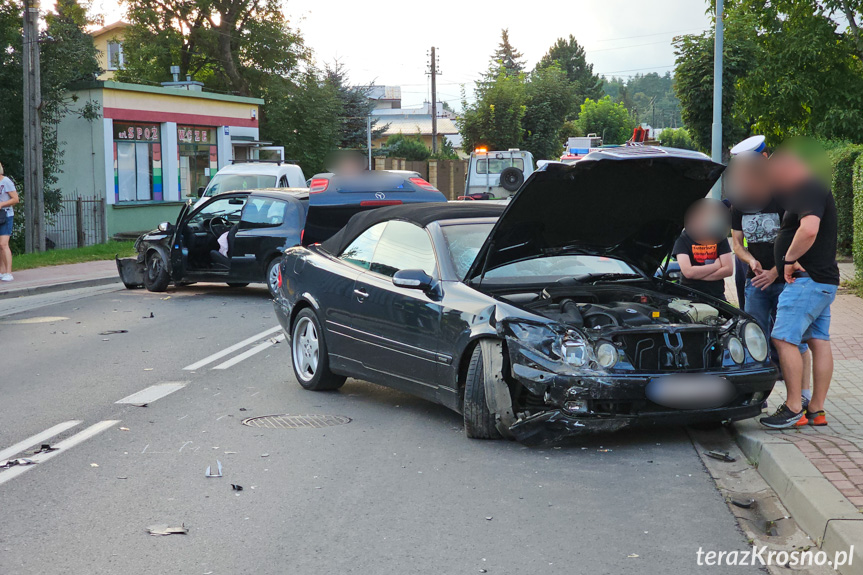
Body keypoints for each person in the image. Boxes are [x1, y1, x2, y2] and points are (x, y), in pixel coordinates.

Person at [760, 145, 839, 428]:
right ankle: (816, 410)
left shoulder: (807, 187)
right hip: (821, 281)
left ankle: (794, 407)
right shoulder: (813, 188)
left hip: (807, 282)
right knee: (818, 340)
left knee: (783, 338)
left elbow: (808, 229)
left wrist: (789, 259)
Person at [728, 152, 812, 405]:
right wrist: (750, 261)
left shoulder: (783, 199)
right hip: (755, 283)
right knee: (755, 338)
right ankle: (758, 397)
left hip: (787, 281)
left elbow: (797, 240)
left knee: (793, 340)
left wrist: (775, 271)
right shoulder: (739, 205)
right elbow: (737, 244)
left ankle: (801, 397)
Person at [673, 199, 735, 300]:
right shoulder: (682, 239)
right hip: (690, 295)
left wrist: (697, 276)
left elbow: (728, 270)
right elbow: (688, 272)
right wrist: (716, 266)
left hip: (716, 296)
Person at [0, 162, 19, 282]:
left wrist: (2, 204)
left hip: (6, 215)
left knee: (3, 244)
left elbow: (15, 199)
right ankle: (2, 271)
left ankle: (8, 272)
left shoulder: (5, 181)